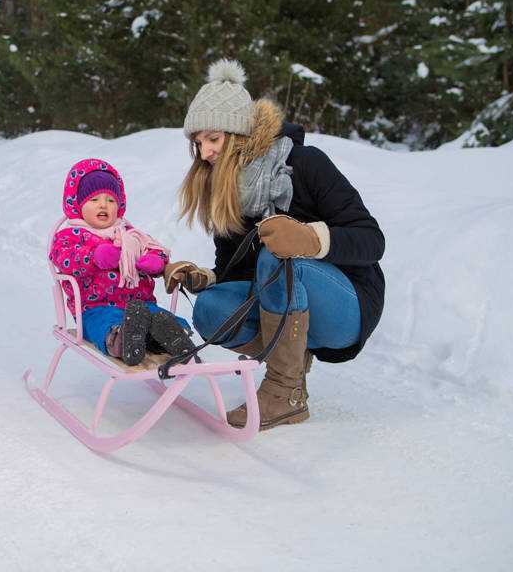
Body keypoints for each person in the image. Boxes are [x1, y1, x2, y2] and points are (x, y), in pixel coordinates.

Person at [164, 59, 385, 430]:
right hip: (284, 298)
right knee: (211, 309)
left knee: (278, 256)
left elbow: (371, 240)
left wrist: (312, 239)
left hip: (347, 304)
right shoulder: (226, 187)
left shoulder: (305, 163)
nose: (204, 153)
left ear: (238, 134)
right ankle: (292, 368)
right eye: (198, 143)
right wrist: (206, 277)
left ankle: (285, 391)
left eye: (212, 139)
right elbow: (238, 270)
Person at [50, 158, 195, 366]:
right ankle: (121, 340)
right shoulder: (71, 236)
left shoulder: (130, 235)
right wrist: (94, 257)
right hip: (95, 307)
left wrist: (154, 261)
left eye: (110, 200)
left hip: (142, 306)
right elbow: (63, 259)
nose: (103, 205)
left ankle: (172, 336)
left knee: (159, 318)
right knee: (105, 324)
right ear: (78, 205)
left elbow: (155, 249)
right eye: (94, 200)